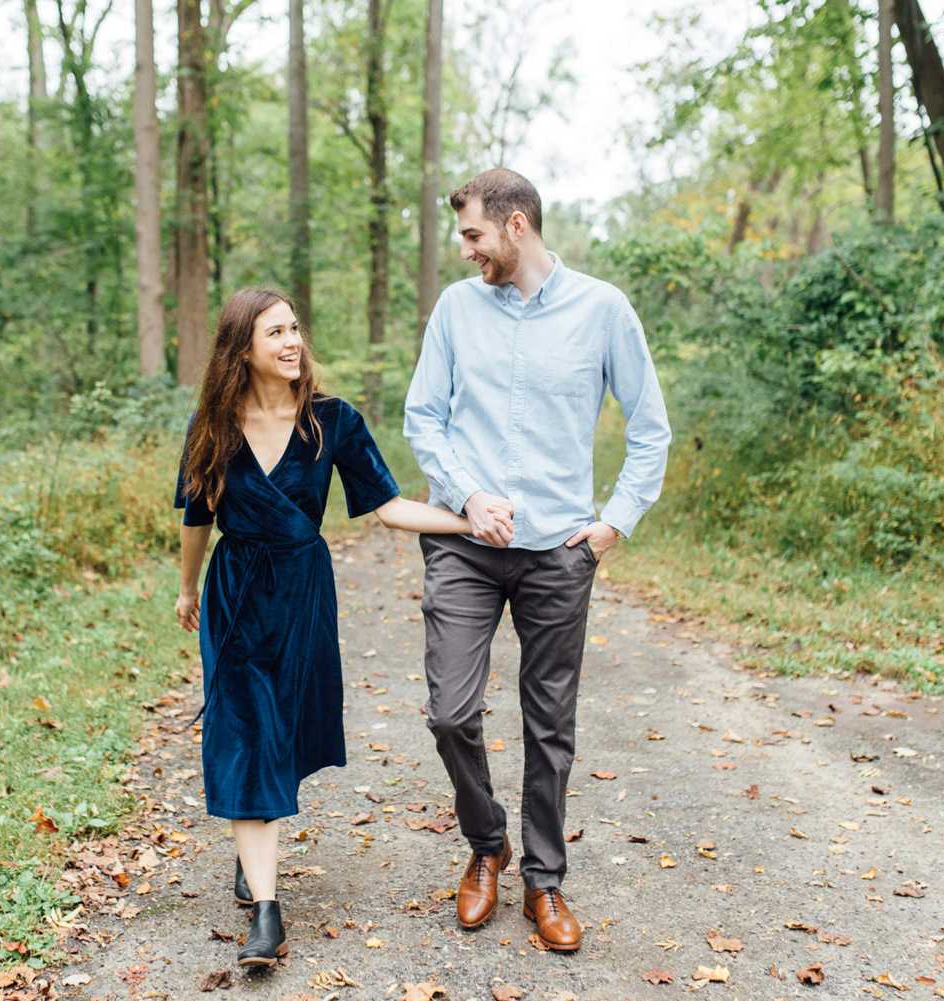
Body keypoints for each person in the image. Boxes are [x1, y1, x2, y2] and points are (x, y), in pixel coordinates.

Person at [403, 168, 672, 952]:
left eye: (474, 235)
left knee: (550, 724)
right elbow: (425, 416)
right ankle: (488, 844)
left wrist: (611, 525)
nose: (466, 250)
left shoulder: (602, 310)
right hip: (465, 546)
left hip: (560, 551)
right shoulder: (457, 308)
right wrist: (466, 493)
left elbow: (650, 427)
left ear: (516, 226)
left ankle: (544, 881)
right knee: (450, 710)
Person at [174, 287, 476, 969]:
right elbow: (196, 517)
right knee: (245, 731)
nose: (292, 341)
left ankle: (252, 855)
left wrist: (466, 521)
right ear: (241, 348)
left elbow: (391, 507)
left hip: (304, 594)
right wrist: (187, 588)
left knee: (281, 728)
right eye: (274, 331)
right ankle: (268, 916)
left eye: (295, 328)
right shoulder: (212, 423)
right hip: (237, 595)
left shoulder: (332, 420)